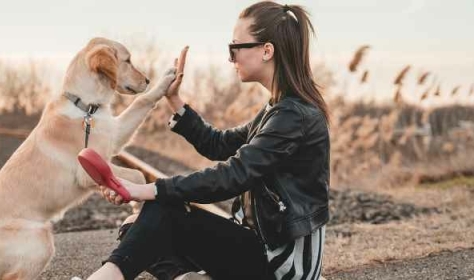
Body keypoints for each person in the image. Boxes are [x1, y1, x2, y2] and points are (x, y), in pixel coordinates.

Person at [86, 2, 331, 279]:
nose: (231, 58)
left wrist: (149, 190)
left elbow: (234, 175)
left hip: (283, 264)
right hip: (260, 247)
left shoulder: (293, 116)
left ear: (266, 50)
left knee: (161, 213)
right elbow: (219, 144)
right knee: (135, 227)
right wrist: (174, 99)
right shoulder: (277, 109)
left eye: (235, 47)